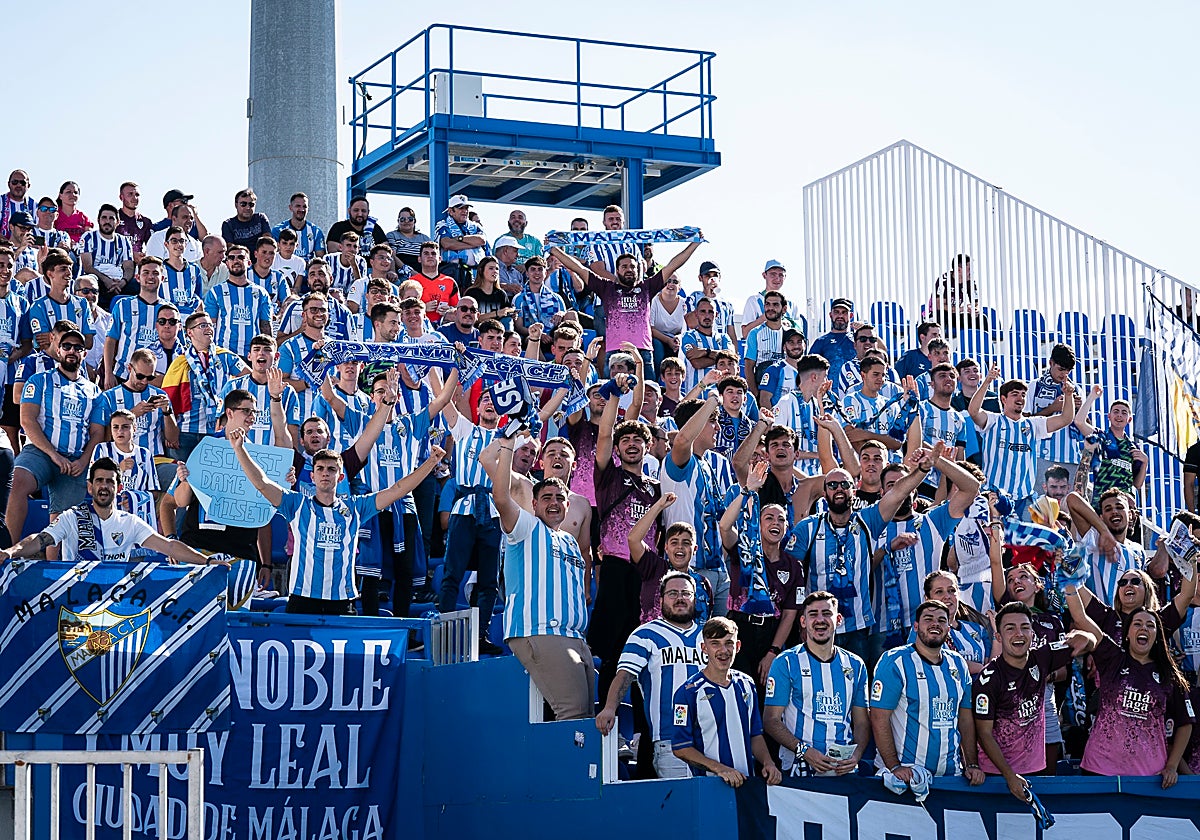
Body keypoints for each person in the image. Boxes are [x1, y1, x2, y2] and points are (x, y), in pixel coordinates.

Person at [230, 423, 446, 615]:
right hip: (302, 599)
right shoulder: (296, 504)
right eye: (320, 469)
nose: (325, 473)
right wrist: (239, 449)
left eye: (332, 469)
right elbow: (261, 483)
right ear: (312, 476)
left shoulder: (357, 507)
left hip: (342, 601)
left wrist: (431, 462)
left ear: (340, 476)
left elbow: (398, 489)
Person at [786, 444, 953, 664]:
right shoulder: (808, 527)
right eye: (832, 485)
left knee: (857, 691)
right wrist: (800, 618)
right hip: (819, 623)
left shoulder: (867, 521)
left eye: (844, 484)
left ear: (853, 490)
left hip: (858, 628)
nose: (838, 489)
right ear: (824, 493)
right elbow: (789, 572)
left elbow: (898, 493)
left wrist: (921, 471)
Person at [483, 430, 593, 720]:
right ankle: (567, 768)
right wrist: (507, 447)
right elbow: (502, 497)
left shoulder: (569, 539)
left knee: (587, 716)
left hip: (574, 636)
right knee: (574, 717)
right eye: (546, 498)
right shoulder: (526, 528)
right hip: (541, 631)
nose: (554, 502)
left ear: (569, 505)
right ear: (533, 504)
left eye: (560, 497)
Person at [1066, 590, 1195, 786]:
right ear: (1127, 634)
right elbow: (1081, 618)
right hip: (1099, 769)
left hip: (1149, 776)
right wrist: (1069, 584)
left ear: (1157, 636)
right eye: (1137, 624)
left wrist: (1172, 765)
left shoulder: (1170, 676)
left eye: (1150, 625)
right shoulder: (1112, 657)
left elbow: (1185, 724)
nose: (1143, 628)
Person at [973, 602, 1096, 795]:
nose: (1018, 633)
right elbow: (984, 734)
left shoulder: (1042, 657)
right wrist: (1009, 775)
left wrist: (1084, 637)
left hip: (1034, 769)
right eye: (1010, 628)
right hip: (996, 775)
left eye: (1024, 627)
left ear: (1032, 633)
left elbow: (1089, 640)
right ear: (998, 636)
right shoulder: (988, 679)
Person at [596, 569, 705, 778]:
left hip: (712, 737)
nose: (680, 599)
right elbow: (625, 674)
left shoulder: (708, 636)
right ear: (661, 599)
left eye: (686, 593)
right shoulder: (645, 634)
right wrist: (610, 708)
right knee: (680, 804)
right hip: (670, 739)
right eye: (673, 594)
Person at [0, 458, 212, 565]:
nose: (104, 486)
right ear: (90, 487)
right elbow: (40, 540)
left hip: (113, 603)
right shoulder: (72, 517)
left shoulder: (130, 522)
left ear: (118, 487)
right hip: (76, 602)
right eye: (99, 481)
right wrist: (10, 552)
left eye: (110, 482)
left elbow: (169, 546)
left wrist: (207, 561)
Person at [871, 599, 986, 782]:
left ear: (948, 629)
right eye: (928, 619)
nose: (935, 624)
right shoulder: (895, 661)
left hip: (949, 775)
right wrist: (894, 766)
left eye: (941, 620)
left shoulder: (958, 664)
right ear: (916, 626)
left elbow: (964, 718)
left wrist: (971, 763)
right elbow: (879, 717)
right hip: (905, 776)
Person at [7, 327, 104, 541]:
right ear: (57, 351)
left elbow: (97, 433)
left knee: (63, 523)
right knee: (17, 483)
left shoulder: (94, 391)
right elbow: (27, 420)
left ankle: (56, 566)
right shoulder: (39, 380)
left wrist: (83, 461)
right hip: (40, 452)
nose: (72, 350)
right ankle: (6, 553)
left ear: (84, 354)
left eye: (78, 347)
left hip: (75, 459)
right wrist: (53, 455)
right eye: (66, 346)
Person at [549, 240, 701, 372]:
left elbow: (673, 265)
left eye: (632, 267)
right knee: (613, 400)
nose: (629, 269)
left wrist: (695, 243)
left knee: (647, 396)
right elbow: (579, 268)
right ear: (617, 270)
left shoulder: (647, 287)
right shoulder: (606, 288)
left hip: (643, 351)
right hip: (615, 352)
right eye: (624, 266)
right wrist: (553, 249)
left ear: (638, 269)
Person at [764, 591, 870, 777]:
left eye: (826, 614)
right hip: (800, 769)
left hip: (843, 771)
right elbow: (771, 720)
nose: (820, 620)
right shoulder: (786, 662)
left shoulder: (855, 665)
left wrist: (857, 754)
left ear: (838, 620)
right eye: (813, 614)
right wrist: (804, 751)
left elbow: (861, 722)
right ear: (803, 622)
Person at [671, 617, 783, 786]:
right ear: (704, 648)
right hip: (709, 788)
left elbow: (755, 734)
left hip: (747, 784)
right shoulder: (688, 693)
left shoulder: (747, 684)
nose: (723, 650)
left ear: (737, 647)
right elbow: (681, 747)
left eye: (728, 643)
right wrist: (719, 769)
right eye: (715, 643)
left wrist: (768, 762)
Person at [968, 364, 1075, 517]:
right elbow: (973, 411)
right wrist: (987, 381)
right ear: (1003, 399)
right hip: (994, 496)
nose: (1020, 398)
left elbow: (1065, 419)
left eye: (1023, 395)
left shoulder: (1033, 424)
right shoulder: (993, 421)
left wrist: (1069, 395)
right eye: (1015, 394)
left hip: (1023, 499)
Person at [1065, 488, 1147, 607]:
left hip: (1129, 620)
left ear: (1130, 514)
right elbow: (1072, 499)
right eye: (1108, 509)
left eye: (1119, 507)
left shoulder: (1138, 550)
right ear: (1101, 518)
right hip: (1100, 619)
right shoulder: (1094, 537)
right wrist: (1104, 531)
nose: (1114, 511)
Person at [1074, 385, 1148, 505]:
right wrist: (1092, 397)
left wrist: (1145, 463)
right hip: (1102, 502)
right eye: (1116, 412)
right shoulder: (1101, 437)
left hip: (1125, 505)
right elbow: (1079, 422)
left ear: (1129, 419)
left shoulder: (1133, 447)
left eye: (1124, 413)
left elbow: (1137, 484)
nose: (1119, 415)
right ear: (1109, 416)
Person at [1027, 343, 1084, 486]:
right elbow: (1024, 422)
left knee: (1067, 505)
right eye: (1060, 369)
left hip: (1070, 456)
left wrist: (1079, 409)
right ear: (1050, 363)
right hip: (1041, 455)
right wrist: (1052, 408)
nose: (1064, 375)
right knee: (1040, 504)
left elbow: (1085, 426)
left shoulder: (1076, 389)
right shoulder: (1034, 386)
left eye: (1068, 371)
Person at [104, 256, 166, 388]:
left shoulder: (169, 310)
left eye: (155, 273)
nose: (150, 277)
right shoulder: (123, 305)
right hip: (123, 375)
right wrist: (108, 373)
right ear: (138, 278)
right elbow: (110, 340)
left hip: (155, 379)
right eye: (146, 273)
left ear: (162, 278)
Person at [203, 245, 272, 358]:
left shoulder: (261, 293)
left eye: (240, 257)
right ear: (226, 263)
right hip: (224, 354)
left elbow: (265, 326)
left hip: (253, 355)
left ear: (249, 263)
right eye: (231, 258)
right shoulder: (216, 292)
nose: (236, 261)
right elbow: (210, 325)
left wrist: (269, 353)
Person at [79, 205, 135, 304]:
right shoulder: (88, 237)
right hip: (96, 278)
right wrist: (106, 281)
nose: (107, 221)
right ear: (98, 220)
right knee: (92, 284)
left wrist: (122, 282)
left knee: (138, 285)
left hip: (118, 280)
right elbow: (87, 267)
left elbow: (129, 267)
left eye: (111, 218)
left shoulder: (124, 241)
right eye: (104, 218)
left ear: (117, 222)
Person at [433, 194, 486, 286]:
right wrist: (473, 243)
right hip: (451, 272)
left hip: (475, 273)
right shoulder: (442, 224)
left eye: (466, 208)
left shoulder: (475, 226)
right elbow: (447, 244)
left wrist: (459, 239)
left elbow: (481, 241)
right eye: (460, 208)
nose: (465, 211)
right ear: (450, 211)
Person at [740, 260, 803, 338]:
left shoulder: (791, 305)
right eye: (773, 274)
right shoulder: (754, 301)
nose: (777, 278)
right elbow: (745, 333)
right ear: (764, 275)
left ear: (785, 277)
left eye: (781, 275)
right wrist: (764, 318)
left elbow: (799, 332)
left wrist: (787, 324)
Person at [809, 298, 857, 385]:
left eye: (844, 312)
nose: (840, 316)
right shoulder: (821, 341)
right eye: (836, 312)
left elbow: (879, 352)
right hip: (830, 393)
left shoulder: (859, 340)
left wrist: (866, 329)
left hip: (855, 391)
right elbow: (810, 369)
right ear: (830, 315)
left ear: (851, 316)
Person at [650, 274, 687, 373]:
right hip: (657, 338)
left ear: (679, 287)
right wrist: (668, 341)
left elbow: (686, 329)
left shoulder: (685, 304)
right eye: (667, 281)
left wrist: (678, 339)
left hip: (677, 339)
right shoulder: (653, 301)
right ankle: (657, 381)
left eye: (675, 282)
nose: (670, 284)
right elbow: (650, 329)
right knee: (657, 347)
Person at [271, 192, 326, 259]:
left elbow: (321, 259)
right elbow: (273, 256)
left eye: (304, 206)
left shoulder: (316, 231)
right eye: (298, 206)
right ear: (290, 208)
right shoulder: (278, 230)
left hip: (307, 268)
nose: (302, 209)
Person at [115, 182, 153, 254]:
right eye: (130, 194)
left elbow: (151, 247)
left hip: (138, 263)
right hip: (117, 262)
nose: (135, 198)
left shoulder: (145, 221)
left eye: (137, 195)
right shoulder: (113, 218)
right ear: (121, 197)